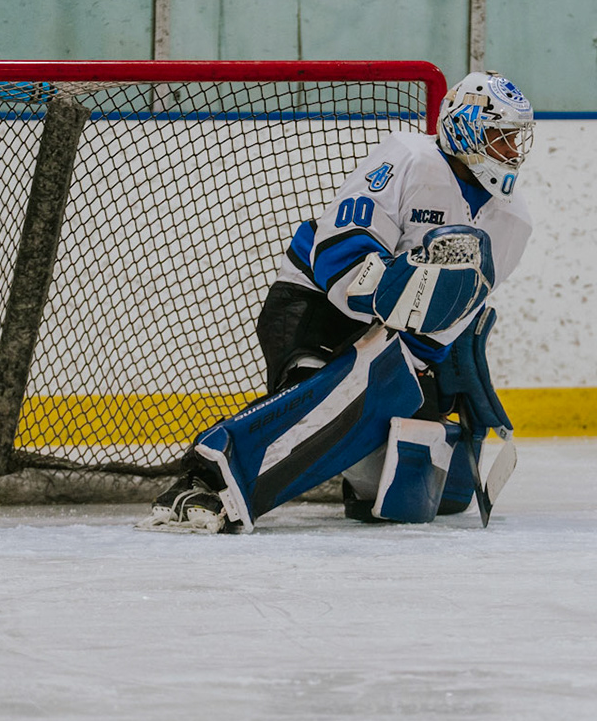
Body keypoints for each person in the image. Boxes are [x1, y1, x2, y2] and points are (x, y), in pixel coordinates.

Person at [144, 71, 536, 533]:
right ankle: (210, 476)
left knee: (425, 479)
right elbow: (339, 258)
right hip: (316, 306)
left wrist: (410, 366)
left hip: (396, 334)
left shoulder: (513, 220)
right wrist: (389, 323)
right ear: (465, 128)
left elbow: (453, 315)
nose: (512, 150)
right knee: (326, 395)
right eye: (500, 136)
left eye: (516, 138)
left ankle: (353, 470)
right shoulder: (410, 157)